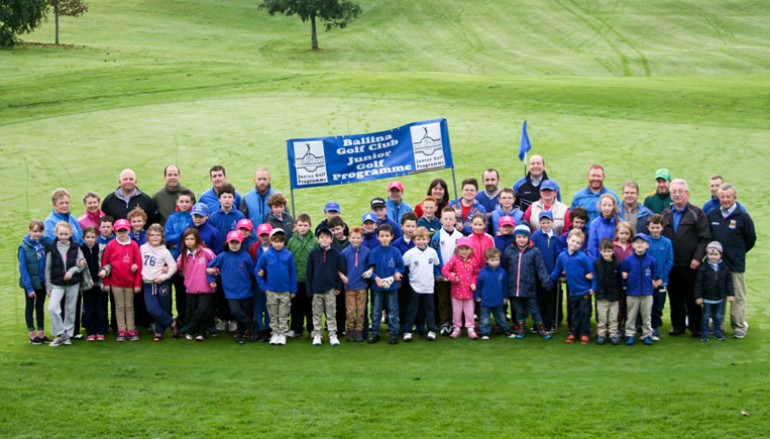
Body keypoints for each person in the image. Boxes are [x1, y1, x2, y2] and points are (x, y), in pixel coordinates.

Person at [661, 178, 711, 337]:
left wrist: (697, 258)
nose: (677, 195)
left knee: (693, 297)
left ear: (687, 194)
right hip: (672, 265)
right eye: (674, 192)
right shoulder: (665, 214)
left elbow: (704, 238)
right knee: (674, 297)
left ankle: (696, 327)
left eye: (680, 192)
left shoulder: (697, 213)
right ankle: (678, 326)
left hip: (691, 264)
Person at [707, 183, 756, 339]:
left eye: (728, 197)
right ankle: (718, 325)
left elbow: (751, 239)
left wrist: (738, 252)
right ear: (718, 198)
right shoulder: (713, 214)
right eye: (722, 197)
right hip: (717, 265)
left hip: (735, 264)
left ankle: (739, 326)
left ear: (734, 198)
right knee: (717, 294)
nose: (725, 200)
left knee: (737, 296)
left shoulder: (743, 216)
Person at [502, 225, 553, 340]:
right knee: (518, 309)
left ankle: (540, 327)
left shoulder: (534, 251)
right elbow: (503, 268)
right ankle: (521, 327)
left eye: (524, 237)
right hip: (513, 288)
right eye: (519, 237)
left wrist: (546, 280)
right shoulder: (509, 251)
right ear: (515, 238)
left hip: (529, 287)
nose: (521, 239)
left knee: (534, 309)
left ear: (528, 238)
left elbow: (541, 268)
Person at [207, 231, 255, 345]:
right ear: (227, 243)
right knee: (235, 311)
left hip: (245, 291)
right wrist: (211, 279)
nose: (234, 245)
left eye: (236, 242)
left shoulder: (246, 256)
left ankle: (240, 335)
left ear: (241, 243)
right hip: (230, 292)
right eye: (232, 242)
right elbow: (210, 267)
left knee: (244, 313)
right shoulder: (223, 256)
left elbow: (252, 272)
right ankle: (252, 326)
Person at [99, 218, 143, 342]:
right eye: (119, 231)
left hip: (130, 282)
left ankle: (131, 329)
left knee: (129, 306)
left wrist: (137, 283)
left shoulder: (133, 245)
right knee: (119, 306)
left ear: (129, 230)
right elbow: (105, 264)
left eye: (124, 231)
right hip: (115, 282)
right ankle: (121, 330)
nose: (122, 234)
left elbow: (138, 265)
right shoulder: (111, 245)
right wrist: (106, 283)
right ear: (115, 231)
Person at [45, 221, 86, 347]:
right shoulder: (52, 248)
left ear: (70, 233)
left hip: (73, 283)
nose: (63, 236)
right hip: (57, 283)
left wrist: (72, 271)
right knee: (52, 307)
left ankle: (67, 335)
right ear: (56, 234)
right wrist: (48, 286)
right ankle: (59, 333)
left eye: (65, 234)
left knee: (70, 310)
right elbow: (48, 268)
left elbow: (81, 264)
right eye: (61, 234)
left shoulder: (75, 247)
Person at [551, 229, 594, 345]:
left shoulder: (583, 257)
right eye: (573, 241)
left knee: (584, 313)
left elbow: (592, 272)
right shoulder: (562, 256)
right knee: (574, 313)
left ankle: (584, 333)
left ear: (581, 245)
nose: (574, 244)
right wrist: (550, 280)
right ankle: (574, 332)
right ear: (568, 240)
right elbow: (557, 270)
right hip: (573, 292)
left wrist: (593, 288)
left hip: (584, 291)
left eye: (578, 243)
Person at [258, 228, 298, 346]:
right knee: (273, 313)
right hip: (271, 290)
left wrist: (293, 289)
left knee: (283, 313)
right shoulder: (266, 255)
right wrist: (263, 287)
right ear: (271, 241)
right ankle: (275, 333)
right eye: (275, 241)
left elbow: (292, 272)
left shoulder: (288, 255)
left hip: (285, 290)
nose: (278, 244)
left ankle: (282, 333)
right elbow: (258, 271)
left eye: (280, 241)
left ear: (284, 242)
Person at [306, 228, 345, 346]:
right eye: (322, 237)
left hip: (330, 289)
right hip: (316, 290)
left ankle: (332, 334)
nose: (324, 239)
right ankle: (317, 334)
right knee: (316, 313)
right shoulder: (313, 254)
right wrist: (309, 289)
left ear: (331, 239)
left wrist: (338, 286)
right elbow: (309, 272)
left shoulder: (336, 254)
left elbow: (341, 271)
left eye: (327, 237)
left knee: (331, 313)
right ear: (318, 239)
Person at [366, 224, 404, 345]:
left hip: (392, 286)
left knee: (392, 310)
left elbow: (400, 266)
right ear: (377, 237)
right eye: (382, 236)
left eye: (387, 236)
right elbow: (370, 268)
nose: (384, 238)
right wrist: (375, 278)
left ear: (392, 236)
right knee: (376, 310)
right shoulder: (374, 252)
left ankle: (393, 333)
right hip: (377, 286)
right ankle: (375, 332)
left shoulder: (395, 252)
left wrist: (397, 273)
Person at [401, 227, 440, 342]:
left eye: (423, 239)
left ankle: (431, 330)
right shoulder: (410, 253)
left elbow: (437, 263)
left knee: (430, 310)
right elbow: (402, 264)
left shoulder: (432, 252)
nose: (421, 241)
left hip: (429, 286)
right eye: (418, 239)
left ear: (428, 239)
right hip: (415, 285)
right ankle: (408, 331)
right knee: (412, 309)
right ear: (414, 240)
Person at [177, 228, 216, 341]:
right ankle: (198, 331)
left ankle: (193, 330)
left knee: (202, 309)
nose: (189, 241)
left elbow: (216, 264)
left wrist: (214, 271)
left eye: (191, 239)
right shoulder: (183, 255)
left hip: (206, 288)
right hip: (191, 289)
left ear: (197, 239)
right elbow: (176, 267)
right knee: (193, 310)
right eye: (186, 239)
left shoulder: (206, 252)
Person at [140, 224, 178, 342]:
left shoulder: (164, 251)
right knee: (152, 308)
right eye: (152, 235)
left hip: (161, 283)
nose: (155, 237)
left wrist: (164, 276)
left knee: (163, 306)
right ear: (148, 236)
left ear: (162, 237)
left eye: (158, 235)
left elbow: (173, 267)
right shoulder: (143, 248)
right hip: (148, 283)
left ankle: (159, 331)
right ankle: (172, 322)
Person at [621, 233, 660, 346]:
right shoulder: (628, 260)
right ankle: (630, 334)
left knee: (646, 316)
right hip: (632, 292)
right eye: (637, 242)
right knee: (631, 316)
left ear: (647, 245)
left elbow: (653, 273)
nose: (639, 245)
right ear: (632, 245)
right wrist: (626, 287)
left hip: (647, 293)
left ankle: (647, 334)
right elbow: (624, 274)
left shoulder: (651, 260)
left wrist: (651, 283)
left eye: (642, 242)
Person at [430, 206, 463, 335]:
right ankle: (444, 323)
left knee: (455, 299)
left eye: (451, 219)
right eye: (446, 219)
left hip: (456, 275)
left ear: (455, 220)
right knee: (443, 299)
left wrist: (457, 272)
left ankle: (456, 323)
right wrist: (439, 272)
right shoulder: (437, 236)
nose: (448, 221)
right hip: (441, 275)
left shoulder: (459, 236)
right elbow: (434, 255)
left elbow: (461, 256)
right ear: (441, 220)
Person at [164, 189, 195, 326]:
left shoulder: (193, 218)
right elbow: (167, 237)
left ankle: (186, 319)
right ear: (177, 202)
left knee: (184, 293)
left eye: (187, 201)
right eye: (181, 201)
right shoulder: (172, 218)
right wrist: (182, 237)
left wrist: (179, 241)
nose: (184, 204)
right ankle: (173, 320)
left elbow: (194, 238)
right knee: (172, 292)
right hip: (173, 260)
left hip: (188, 262)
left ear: (192, 203)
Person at [694, 241, 734, 342]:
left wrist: (731, 294)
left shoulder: (725, 267)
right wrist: (698, 296)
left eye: (715, 254)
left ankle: (718, 332)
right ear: (707, 254)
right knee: (706, 316)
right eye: (710, 254)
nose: (713, 257)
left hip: (720, 297)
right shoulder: (703, 268)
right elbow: (698, 283)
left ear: (721, 255)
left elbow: (728, 282)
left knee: (718, 316)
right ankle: (705, 333)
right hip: (707, 297)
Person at [531, 210, 563, 333]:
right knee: (539, 299)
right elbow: (533, 253)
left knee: (550, 300)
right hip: (538, 275)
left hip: (551, 275)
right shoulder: (536, 236)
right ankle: (538, 323)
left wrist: (556, 273)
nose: (545, 225)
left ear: (552, 222)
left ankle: (549, 324)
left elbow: (558, 256)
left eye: (547, 222)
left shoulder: (556, 238)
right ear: (539, 223)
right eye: (543, 222)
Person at [441, 237, 479, 339]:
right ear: (457, 250)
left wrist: (473, 283)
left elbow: (476, 274)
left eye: (466, 249)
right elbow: (444, 270)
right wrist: (452, 277)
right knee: (456, 312)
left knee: (469, 312)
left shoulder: (473, 261)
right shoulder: (454, 260)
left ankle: (470, 328)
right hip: (456, 292)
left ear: (471, 249)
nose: (464, 251)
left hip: (469, 292)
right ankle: (456, 328)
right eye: (461, 249)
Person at [18, 220, 49, 344]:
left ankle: (41, 333)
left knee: (40, 307)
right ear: (29, 231)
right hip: (30, 283)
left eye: (40, 231)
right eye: (35, 231)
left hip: (42, 281)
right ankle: (32, 334)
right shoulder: (24, 246)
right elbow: (23, 268)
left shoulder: (43, 243)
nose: (38, 234)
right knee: (30, 307)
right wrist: (29, 288)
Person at [286, 213, 316, 339]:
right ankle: (296, 328)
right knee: (296, 305)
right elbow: (288, 258)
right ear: (296, 226)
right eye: (300, 225)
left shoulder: (315, 241)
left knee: (310, 305)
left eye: (305, 225)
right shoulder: (292, 241)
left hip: (310, 279)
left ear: (310, 226)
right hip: (296, 278)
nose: (303, 228)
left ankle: (311, 328)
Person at [340, 227, 371, 342]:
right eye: (353, 237)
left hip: (362, 287)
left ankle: (358, 331)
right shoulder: (345, 253)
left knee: (361, 311)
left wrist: (370, 271)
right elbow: (340, 268)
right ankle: (350, 330)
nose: (356, 240)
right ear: (349, 238)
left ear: (362, 239)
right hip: (349, 287)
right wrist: (343, 277)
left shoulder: (366, 251)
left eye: (358, 238)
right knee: (350, 311)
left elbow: (371, 264)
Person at [646, 214, 673, 341]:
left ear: (662, 228)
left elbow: (669, 261)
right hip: (648, 281)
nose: (655, 230)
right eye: (652, 227)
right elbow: (644, 261)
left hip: (662, 282)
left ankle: (655, 327)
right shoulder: (645, 242)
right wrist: (650, 279)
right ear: (648, 228)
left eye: (657, 227)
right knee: (647, 305)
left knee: (658, 306)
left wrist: (661, 279)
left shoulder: (667, 243)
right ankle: (646, 327)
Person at [475, 247, 510, 339]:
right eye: (492, 260)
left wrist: (505, 297)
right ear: (486, 260)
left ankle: (505, 330)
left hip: (498, 300)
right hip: (485, 300)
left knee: (501, 317)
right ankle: (484, 332)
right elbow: (478, 286)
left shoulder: (502, 272)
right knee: (485, 318)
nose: (495, 262)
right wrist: (477, 295)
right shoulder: (482, 272)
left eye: (497, 260)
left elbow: (505, 286)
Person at [80, 227, 108, 342]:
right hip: (88, 285)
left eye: (92, 237)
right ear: (83, 238)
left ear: (97, 237)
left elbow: (109, 263)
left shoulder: (102, 249)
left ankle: (101, 330)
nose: (90, 240)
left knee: (101, 308)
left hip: (100, 284)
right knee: (89, 308)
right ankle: (91, 331)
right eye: (88, 237)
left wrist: (105, 270)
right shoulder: (80, 251)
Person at [593, 239, 622, 345]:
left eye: (609, 251)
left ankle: (613, 334)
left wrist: (620, 291)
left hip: (614, 296)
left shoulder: (617, 264)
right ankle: (601, 334)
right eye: (604, 251)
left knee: (613, 318)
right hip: (601, 296)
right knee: (602, 317)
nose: (607, 253)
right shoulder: (596, 263)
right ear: (600, 251)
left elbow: (620, 280)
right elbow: (595, 278)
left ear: (613, 251)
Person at [247, 223, 273, 342]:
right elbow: (250, 263)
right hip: (257, 282)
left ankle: (267, 329)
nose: (264, 237)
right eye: (262, 235)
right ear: (258, 235)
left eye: (266, 235)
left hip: (271, 282)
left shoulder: (275, 247)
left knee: (269, 306)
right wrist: (256, 273)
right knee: (257, 306)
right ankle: (258, 328)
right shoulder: (253, 247)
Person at [206, 183, 245, 248]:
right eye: (224, 197)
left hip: (235, 250)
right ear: (219, 199)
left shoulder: (240, 216)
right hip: (217, 251)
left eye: (229, 197)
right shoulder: (213, 217)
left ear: (234, 199)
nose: (227, 199)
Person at [587, 194, 619, 260]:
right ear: (600, 206)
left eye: (609, 205)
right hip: (600, 262)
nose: (607, 208)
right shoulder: (594, 224)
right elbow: (592, 247)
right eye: (604, 205)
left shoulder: (619, 223)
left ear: (613, 207)